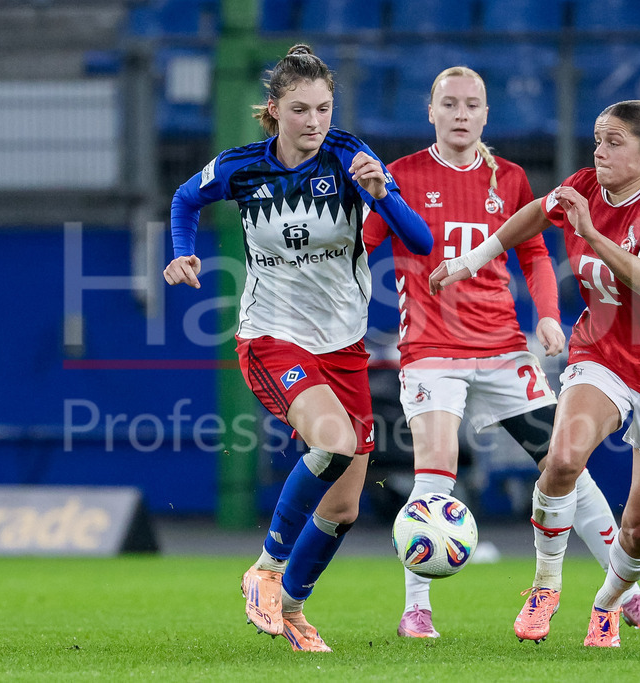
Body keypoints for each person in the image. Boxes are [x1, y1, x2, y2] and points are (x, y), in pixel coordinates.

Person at [366, 69, 640, 640]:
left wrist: (550, 318)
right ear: (429, 112)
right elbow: (364, 247)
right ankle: (417, 610)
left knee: (566, 469)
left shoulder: (507, 178)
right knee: (436, 471)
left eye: (473, 104)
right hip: (432, 349)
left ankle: (626, 595)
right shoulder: (400, 177)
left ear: (486, 115)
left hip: (504, 348)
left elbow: (533, 253)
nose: (461, 114)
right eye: (449, 104)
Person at [163, 44, 433, 652]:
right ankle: (265, 567)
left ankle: (291, 607)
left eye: (324, 108)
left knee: (343, 507)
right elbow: (186, 197)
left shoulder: (351, 159)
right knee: (332, 441)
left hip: (344, 349)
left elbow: (421, 243)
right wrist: (181, 250)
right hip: (272, 337)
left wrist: (383, 193)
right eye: (301, 109)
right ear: (274, 112)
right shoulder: (243, 167)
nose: (314, 121)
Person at [430, 100, 640, 647]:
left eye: (614, 142)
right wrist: (472, 260)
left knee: (639, 529)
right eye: (596, 139)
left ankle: (608, 602)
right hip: (605, 348)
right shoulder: (585, 183)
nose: (599, 151)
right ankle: (545, 586)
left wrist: (590, 229)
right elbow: (538, 214)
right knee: (561, 459)